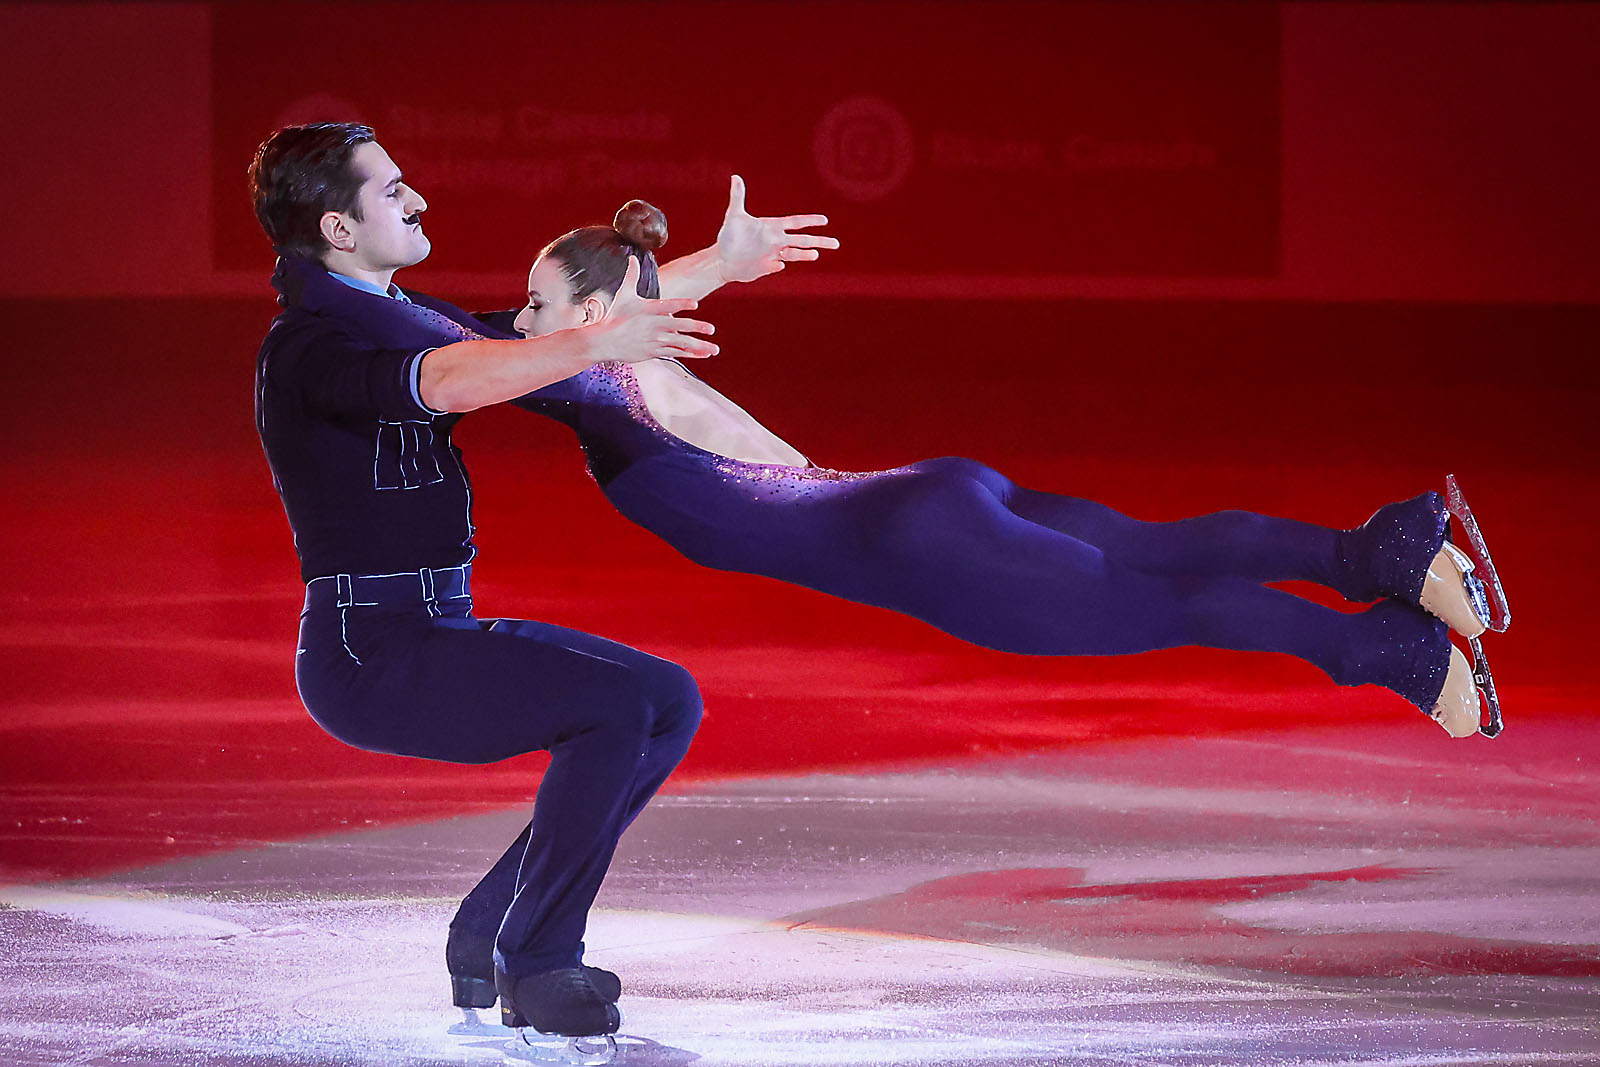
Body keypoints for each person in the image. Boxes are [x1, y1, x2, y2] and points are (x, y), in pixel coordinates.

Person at [489, 201, 1509, 741]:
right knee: (1161, 551)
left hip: (932, 548)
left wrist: (708, 268)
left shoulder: (600, 389)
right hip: (932, 495)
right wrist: (715, 263)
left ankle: (1388, 651)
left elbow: (454, 344)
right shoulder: (636, 359)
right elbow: (595, 314)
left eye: (534, 304)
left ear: (590, 314)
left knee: (1171, 601)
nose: (520, 322)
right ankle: (1380, 552)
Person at [248, 124, 834, 1040]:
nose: (418, 200)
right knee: (608, 709)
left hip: (434, 626)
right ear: (339, 228)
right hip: (367, 652)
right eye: (393, 190)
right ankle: (537, 963)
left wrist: (719, 264)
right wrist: (590, 344)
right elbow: (451, 375)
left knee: (663, 699)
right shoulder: (308, 346)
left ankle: (490, 929)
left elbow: (538, 334)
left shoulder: (398, 312)